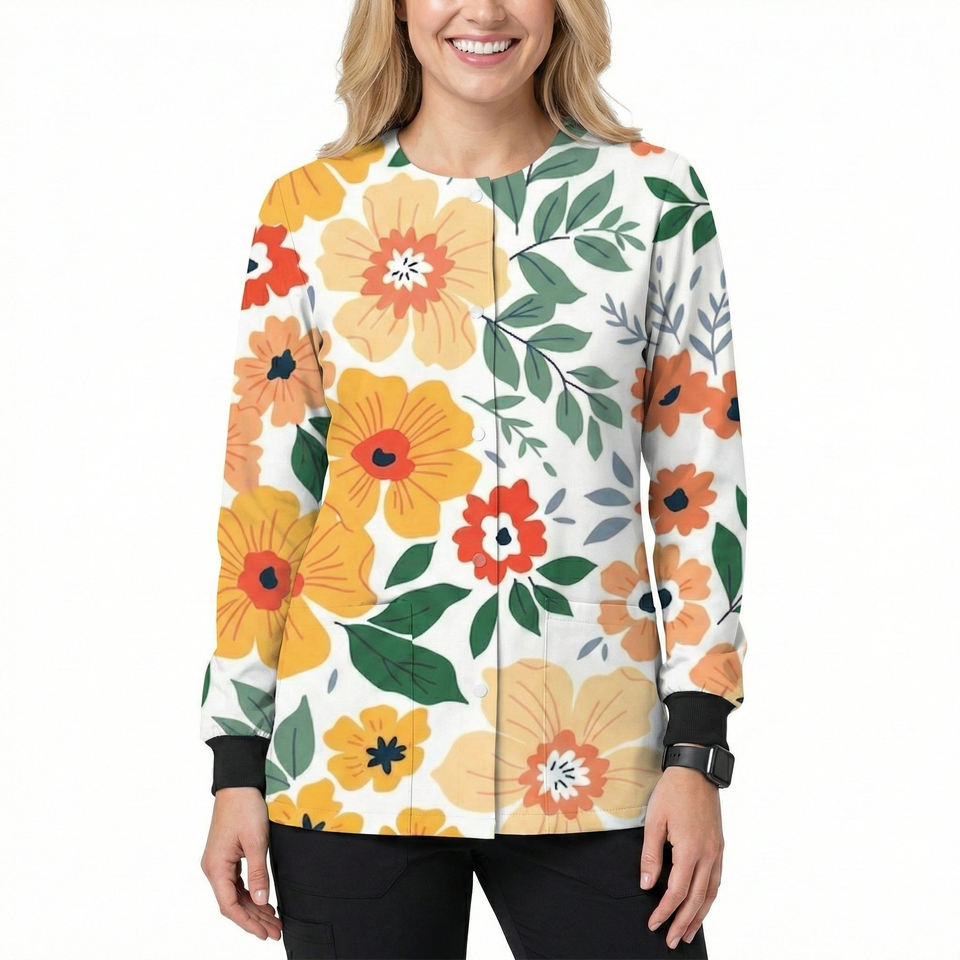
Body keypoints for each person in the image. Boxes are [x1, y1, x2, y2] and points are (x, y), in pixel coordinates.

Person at [198, 1, 749, 957]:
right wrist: (236, 762)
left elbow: (697, 488)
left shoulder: (656, 197)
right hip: (349, 765)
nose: (484, 10)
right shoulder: (310, 208)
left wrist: (697, 752)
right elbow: (266, 503)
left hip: (597, 762)